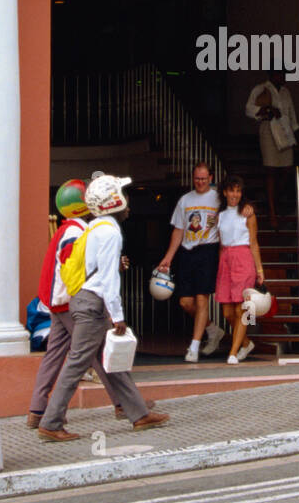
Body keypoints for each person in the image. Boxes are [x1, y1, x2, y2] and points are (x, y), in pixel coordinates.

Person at [38, 175, 169, 439]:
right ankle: (50, 423)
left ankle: (138, 413)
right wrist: (118, 316)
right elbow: (109, 279)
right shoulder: (109, 232)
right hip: (92, 305)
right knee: (77, 363)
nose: (129, 202)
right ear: (113, 201)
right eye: (123, 195)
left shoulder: (96, 227)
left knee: (113, 361)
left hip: (84, 301)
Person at [156, 162, 223, 362]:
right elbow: (178, 230)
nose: (200, 182)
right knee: (185, 302)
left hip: (208, 250)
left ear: (210, 178)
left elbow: (238, 204)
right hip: (187, 251)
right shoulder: (185, 200)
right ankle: (212, 330)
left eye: (203, 179)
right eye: (197, 179)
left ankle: (193, 347)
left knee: (202, 299)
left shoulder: (219, 197)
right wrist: (168, 257)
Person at [214, 174, 265, 366]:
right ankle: (246, 343)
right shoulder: (220, 215)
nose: (235, 194)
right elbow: (220, 243)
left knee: (241, 309)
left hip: (243, 258)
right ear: (225, 192)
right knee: (227, 312)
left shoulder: (247, 213)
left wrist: (259, 269)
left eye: (238, 190)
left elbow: (253, 242)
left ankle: (233, 352)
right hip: (225, 260)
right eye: (231, 190)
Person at [245, 73, 299, 229]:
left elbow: (292, 117)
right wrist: (266, 108)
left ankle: (274, 199)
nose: (283, 77)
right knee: (271, 170)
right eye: (280, 73)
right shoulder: (261, 88)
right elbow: (249, 108)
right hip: (269, 130)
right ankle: (272, 210)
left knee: (287, 169)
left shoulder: (285, 92)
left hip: (285, 131)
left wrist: (297, 137)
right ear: (273, 74)